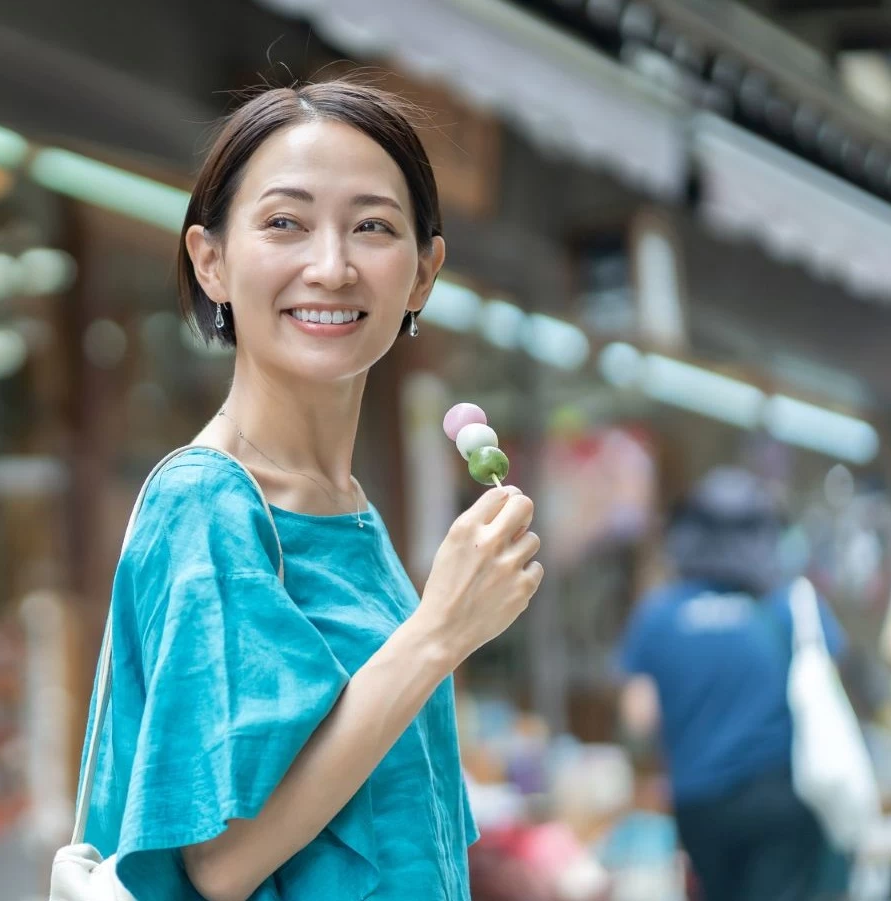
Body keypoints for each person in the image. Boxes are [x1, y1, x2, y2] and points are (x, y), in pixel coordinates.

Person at [77, 79, 544, 901]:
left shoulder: (347, 507)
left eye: (372, 227)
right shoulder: (209, 505)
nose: (330, 267)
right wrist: (438, 632)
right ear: (211, 260)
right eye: (285, 224)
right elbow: (218, 860)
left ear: (424, 273)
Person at [617, 467, 847, 901]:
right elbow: (828, 691)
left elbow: (639, 717)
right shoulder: (792, 606)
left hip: (698, 803)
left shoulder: (659, 613)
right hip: (782, 800)